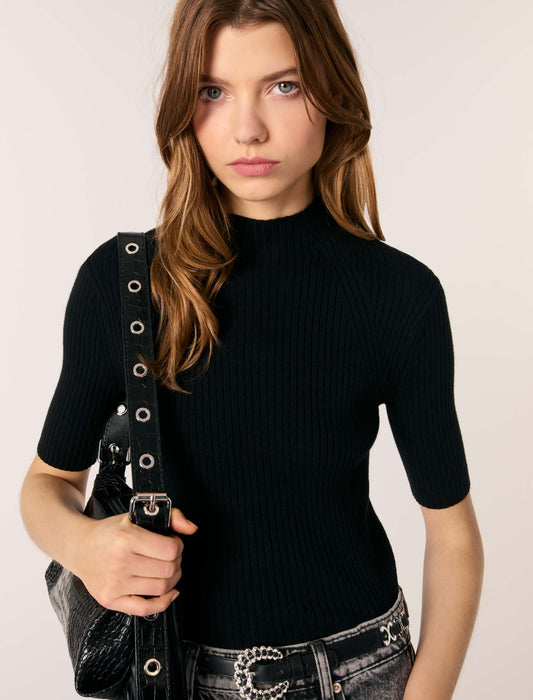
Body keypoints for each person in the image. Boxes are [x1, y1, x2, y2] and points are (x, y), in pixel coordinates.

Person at [20, 1, 484, 699]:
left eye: (283, 86)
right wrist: (83, 546)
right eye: (213, 91)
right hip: (175, 673)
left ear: (332, 92)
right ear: (183, 107)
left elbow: (452, 538)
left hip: (361, 670)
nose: (247, 128)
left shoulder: (399, 295)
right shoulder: (125, 283)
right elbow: (47, 484)